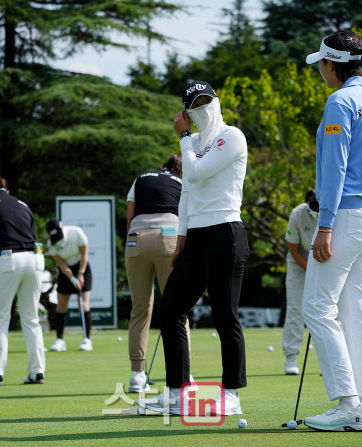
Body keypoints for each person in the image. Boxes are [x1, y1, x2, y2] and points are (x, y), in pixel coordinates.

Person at [138, 80, 249, 415]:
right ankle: (177, 392)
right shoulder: (195, 142)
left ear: (216, 101)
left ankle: (231, 394)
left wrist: (184, 139)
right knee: (170, 310)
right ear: (187, 111)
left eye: (207, 100)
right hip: (196, 237)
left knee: (224, 316)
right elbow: (187, 192)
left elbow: (198, 172)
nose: (203, 107)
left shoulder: (231, 136)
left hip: (226, 232)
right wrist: (181, 239)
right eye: (195, 104)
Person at [301, 31, 362, 432]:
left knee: (317, 308)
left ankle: (348, 403)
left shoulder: (340, 101)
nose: (319, 70)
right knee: (356, 310)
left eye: (320, 64)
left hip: (348, 220)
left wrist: (324, 226)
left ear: (330, 65)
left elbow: (333, 171)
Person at [125, 153, 193, 393]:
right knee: (177, 308)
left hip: (136, 239)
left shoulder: (140, 179)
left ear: (163, 166)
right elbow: (186, 218)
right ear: (180, 171)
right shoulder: (183, 182)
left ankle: (136, 375)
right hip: (169, 236)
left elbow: (130, 218)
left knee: (140, 308)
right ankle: (185, 374)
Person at [0, 177, 46, 385]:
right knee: (31, 318)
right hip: (35, 259)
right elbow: (31, 234)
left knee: (0, 319)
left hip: (7, 259)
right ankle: (37, 372)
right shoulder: (23, 205)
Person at [281, 189, 318, 375]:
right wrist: (312, 272)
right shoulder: (297, 213)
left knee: (332, 311)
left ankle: (332, 360)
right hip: (299, 261)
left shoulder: (336, 210)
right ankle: (291, 356)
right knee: (296, 309)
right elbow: (294, 250)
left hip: (328, 260)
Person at [46, 219, 93, 352]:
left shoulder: (76, 233)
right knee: (61, 304)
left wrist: (81, 274)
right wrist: (72, 278)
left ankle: (86, 340)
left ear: (63, 227)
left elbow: (84, 254)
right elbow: (61, 264)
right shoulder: (51, 243)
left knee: (83, 304)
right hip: (65, 271)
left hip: (82, 266)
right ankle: (60, 340)